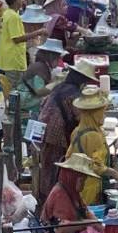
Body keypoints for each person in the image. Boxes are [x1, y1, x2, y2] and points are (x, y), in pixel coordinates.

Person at [36, 61, 100, 198]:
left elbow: (43, 104)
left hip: (43, 130)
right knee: (55, 170)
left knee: (47, 168)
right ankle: (51, 201)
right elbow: (79, 118)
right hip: (56, 135)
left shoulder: (60, 87)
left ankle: (44, 199)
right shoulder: (74, 94)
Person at [65, 86, 118, 205]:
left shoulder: (77, 130)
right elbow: (95, 166)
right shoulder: (93, 136)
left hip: (76, 184)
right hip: (89, 187)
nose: (104, 115)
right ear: (93, 113)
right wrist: (114, 173)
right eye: (102, 112)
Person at [40, 153, 105, 233]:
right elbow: (62, 228)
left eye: (84, 180)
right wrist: (88, 223)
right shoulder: (59, 194)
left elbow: (86, 212)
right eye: (82, 180)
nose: (83, 184)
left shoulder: (74, 193)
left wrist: (101, 227)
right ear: (72, 177)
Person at [0, 0, 47, 86]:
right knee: (14, 88)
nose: (22, 0)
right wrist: (37, 32)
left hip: (9, 58)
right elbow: (17, 39)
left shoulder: (7, 13)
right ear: (16, 0)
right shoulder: (14, 17)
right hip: (13, 60)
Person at [16, 37, 68, 119]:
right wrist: (57, 82)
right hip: (26, 101)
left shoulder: (42, 66)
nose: (59, 61)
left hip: (25, 97)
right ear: (51, 57)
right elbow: (39, 91)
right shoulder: (40, 67)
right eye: (58, 58)